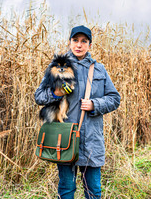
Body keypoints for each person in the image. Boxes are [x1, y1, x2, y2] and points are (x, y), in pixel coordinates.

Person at [34, 25, 121, 199]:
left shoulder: (99, 69)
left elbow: (114, 98)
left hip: (92, 141)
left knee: (93, 191)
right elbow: (39, 96)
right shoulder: (59, 66)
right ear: (69, 42)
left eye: (83, 41)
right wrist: (55, 93)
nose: (79, 45)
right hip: (65, 139)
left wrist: (95, 104)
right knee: (66, 188)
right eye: (75, 40)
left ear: (89, 44)